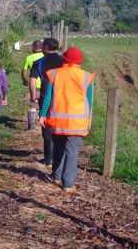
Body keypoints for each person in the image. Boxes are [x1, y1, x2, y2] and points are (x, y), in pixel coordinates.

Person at [39, 47, 94, 192]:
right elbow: (89, 101)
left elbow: (48, 97)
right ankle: (68, 184)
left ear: (64, 59)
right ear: (80, 61)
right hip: (77, 121)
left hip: (57, 120)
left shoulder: (54, 74)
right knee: (72, 151)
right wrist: (89, 119)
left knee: (58, 146)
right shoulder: (87, 77)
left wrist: (42, 114)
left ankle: (56, 176)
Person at [29, 38, 64, 170]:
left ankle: (49, 159)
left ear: (46, 47)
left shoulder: (39, 62)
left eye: (43, 46)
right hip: (62, 97)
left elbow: (32, 81)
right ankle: (59, 157)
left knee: (47, 127)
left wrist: (33, 97)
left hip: (45, 96)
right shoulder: (63, 61)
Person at [22, 40, 44, 130]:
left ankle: (31, 125)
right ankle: (43, 123)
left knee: (33, 105)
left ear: (33, 47)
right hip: (45, 85)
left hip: (34, 85)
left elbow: (24, 71)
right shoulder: (45, 57)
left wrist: (24, 80)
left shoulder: (29, 58)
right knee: (44, 104)